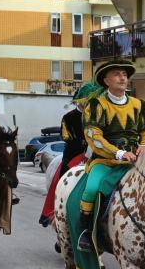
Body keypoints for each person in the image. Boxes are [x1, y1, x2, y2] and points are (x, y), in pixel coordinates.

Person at [76, 60, 145, 252]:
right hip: (104, 161)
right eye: (117, 74)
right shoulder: (96, 105)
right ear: (106, 80)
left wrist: (144, 146)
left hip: (135, 162)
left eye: (125, 75)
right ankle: (85, 232)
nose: (123, 78)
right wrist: (119, 153)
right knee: (92, 189)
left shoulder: (140, 105)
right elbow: (93, 137)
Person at [38, 82, 101, 228]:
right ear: (79, 100)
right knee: (62, 179)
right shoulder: (68, 117)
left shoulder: (97, 115)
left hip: (96, 152)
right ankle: (55, 210)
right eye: (86, 100)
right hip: (74, 154)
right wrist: (85, 144)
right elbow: (66, 136)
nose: (88, 103)